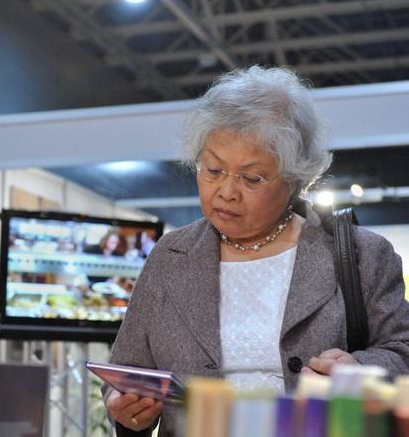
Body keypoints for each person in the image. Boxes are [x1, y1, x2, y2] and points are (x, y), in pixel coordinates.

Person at [103, 66, 409, 435]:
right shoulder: (170, 256)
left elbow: (402, 353)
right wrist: (124, 407)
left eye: (251, 178)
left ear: (296, 179)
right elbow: (127, 371)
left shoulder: (361, 255)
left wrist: (359, 373)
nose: (227, 191)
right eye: (212, 169)